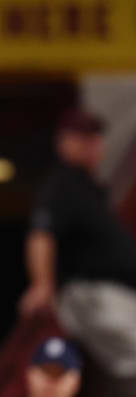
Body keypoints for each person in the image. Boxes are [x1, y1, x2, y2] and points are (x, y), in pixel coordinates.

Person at [19, 109, 136, 395]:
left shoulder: (89, 185)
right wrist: (42, 284)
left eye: (95, 137)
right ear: (63, 142)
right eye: (81, 137)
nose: (91, 144)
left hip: (113, 293)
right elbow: (41, 234)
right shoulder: (61, 184)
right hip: (90, 293)